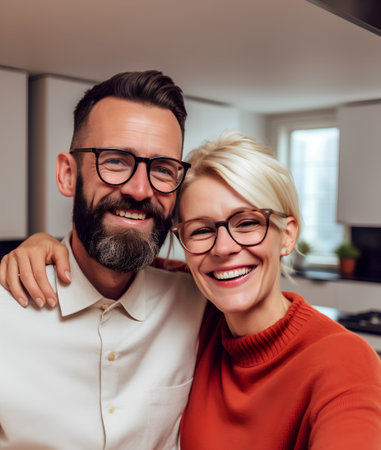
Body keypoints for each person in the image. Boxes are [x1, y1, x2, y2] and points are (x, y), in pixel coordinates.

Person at [3, 132, 381, 449]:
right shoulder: (199, 311)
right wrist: (42, 246)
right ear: (182, 243)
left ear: (289, 235)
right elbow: (112, 258)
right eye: (200, 230)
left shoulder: (343, 359)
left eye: (247, 223)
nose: (223, 248)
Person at [0, 70, 206, 449]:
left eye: (162, 168)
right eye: (115, 161)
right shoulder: (4, 315)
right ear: (67, 174)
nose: (140, 190)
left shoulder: (200, 307)